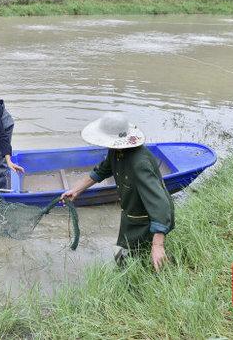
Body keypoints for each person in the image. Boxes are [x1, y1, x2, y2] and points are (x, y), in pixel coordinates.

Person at [61, 112, 174, 271]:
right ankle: (130, 274)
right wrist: (75, 190)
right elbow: (101, 171)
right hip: (130, 214)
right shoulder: (116, 151)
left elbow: (161, 204)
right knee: (122, 255)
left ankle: (144, 276)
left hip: (145, 219)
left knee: (129, 257)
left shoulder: (139, 163)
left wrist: (158, 244)